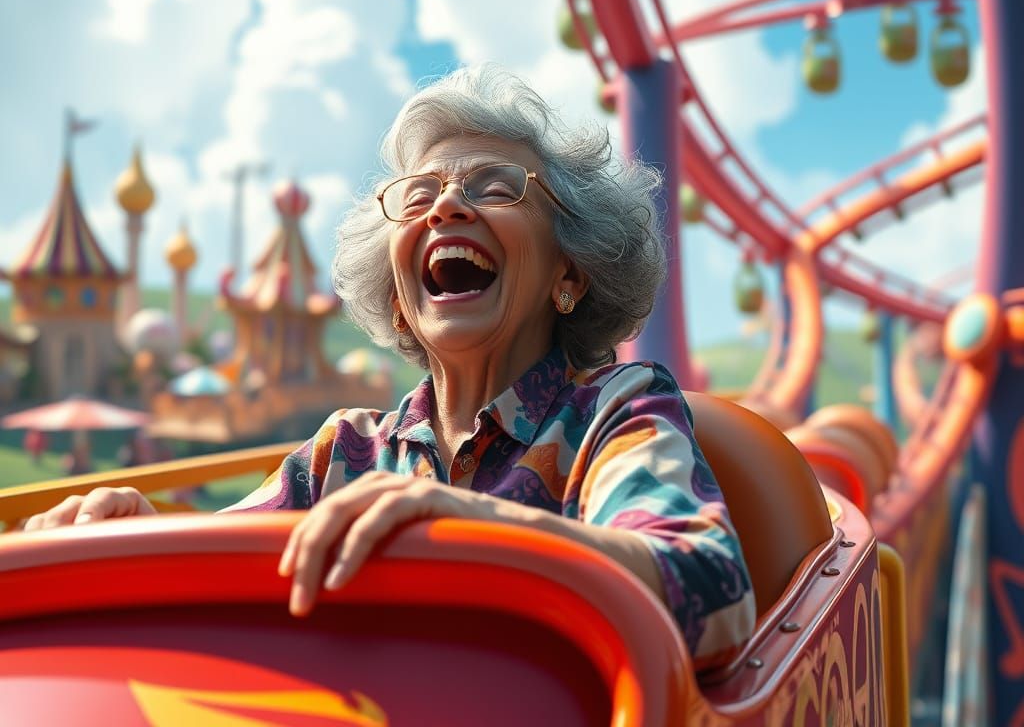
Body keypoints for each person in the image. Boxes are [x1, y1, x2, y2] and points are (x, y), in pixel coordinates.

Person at [22, 65, 755, 669]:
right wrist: (139, 538)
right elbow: (228, 576)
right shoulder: (347, 452)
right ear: (402, 302)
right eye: (421, 195)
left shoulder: (614, 412)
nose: (445, 209)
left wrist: (476, 528)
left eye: (495, 187)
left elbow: (710, 593)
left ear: (571, 272)